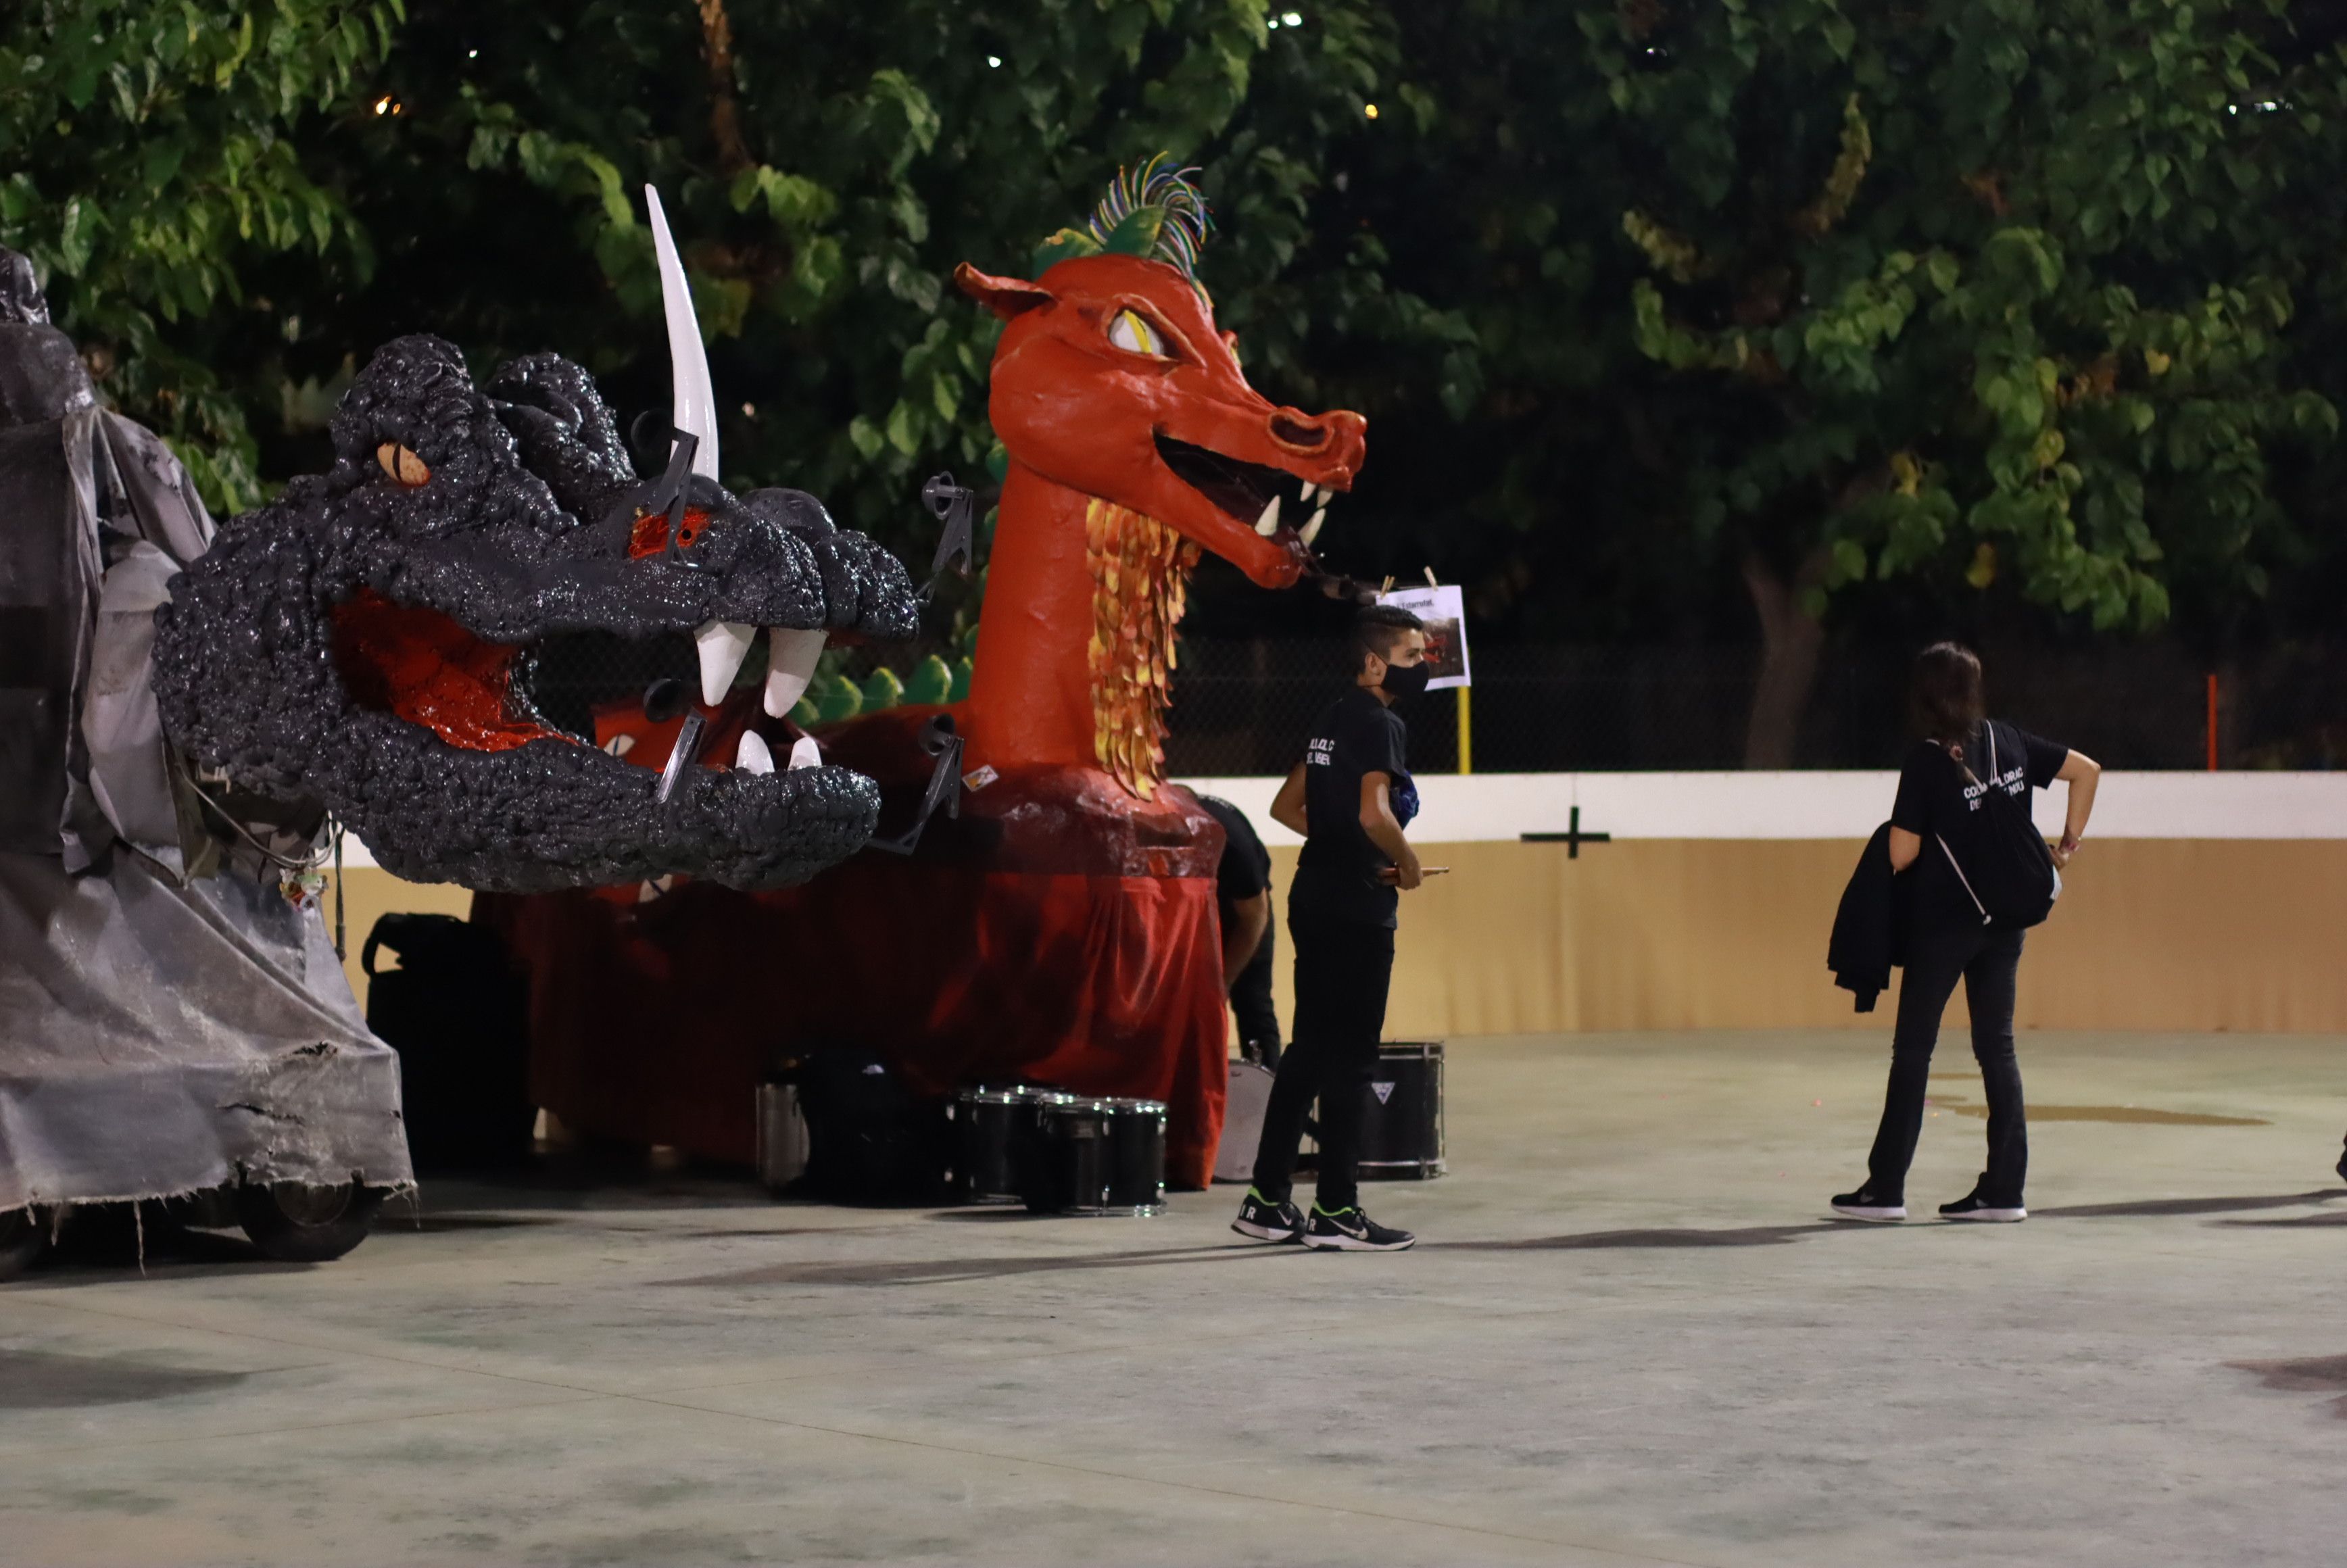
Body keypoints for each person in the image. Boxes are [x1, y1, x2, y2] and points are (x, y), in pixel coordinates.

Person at [1832, 642, 2100, 1225]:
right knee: (1996, 1049)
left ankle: (1886, 1190)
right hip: (2006, 924)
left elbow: (1902, 853)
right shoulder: (2010, 740)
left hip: (1945, 927)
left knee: (1914, 1051)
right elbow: (2087, 771)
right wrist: (2067, 846)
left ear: (1924, 694)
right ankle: (2005, 1190)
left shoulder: (1927, 761)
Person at [1233, 605, 1430, 1252]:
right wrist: (1404, 864)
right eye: (1410, 657)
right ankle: (1338, 1212)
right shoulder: (1381, 723)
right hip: (1356, 911)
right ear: (1374, 662)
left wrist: (1347, 846)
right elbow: (1376, 813)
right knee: (1350, 1057)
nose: (1421, 668)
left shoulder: (1332, 715)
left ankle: (1266, 1201)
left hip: (1311, 896)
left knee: (1307, 1052)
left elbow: (1288, 806)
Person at [1195, 795, 1280, 1067]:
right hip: (1200, 907)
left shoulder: (1233, 846)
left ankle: (1267, 1097)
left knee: (1252, 1001)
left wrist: (1225, 982)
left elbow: (1255, 918)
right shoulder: (1163, 826)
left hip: (1246, 913)